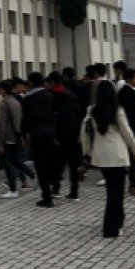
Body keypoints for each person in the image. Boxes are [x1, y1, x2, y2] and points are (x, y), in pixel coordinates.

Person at [80, 80, 135, 239]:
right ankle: (113, 226)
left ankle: (116, 222)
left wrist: (87, 151)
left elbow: (85, 132)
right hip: (118, 154)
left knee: (111, 192)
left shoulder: (92, 110)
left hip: (101, 156)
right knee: (117, 192)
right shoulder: (117, 109)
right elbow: (127, 132)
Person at [22, 72, 57, 207]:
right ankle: (53, 189)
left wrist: (24, 135)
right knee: (50, 163)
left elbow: (25, 120)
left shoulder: (28, 99)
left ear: (31, 83)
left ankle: (46, 196)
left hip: (37, 135)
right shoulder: (50, 95)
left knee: (41, 166)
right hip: (51, 133)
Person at [47, 71, 83, 200]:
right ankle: (74, 192)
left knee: (57, 164)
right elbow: (79, 114)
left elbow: (55, 117)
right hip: (73, 134)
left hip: (61, 135)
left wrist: (55, 135)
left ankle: (56, 189)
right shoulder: (70, 94)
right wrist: (79, 132)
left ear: (52, 82)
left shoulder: (54, 96)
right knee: (73, 165)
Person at [0, 80, 33, 197]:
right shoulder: (16, 101)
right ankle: (30, 174)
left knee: (8, 163)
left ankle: (13, 189)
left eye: (0, 89)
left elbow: (2, 123)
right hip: (16, 135)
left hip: (8, 137)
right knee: (15, 161)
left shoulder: (4, 103)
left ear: (4, 90)